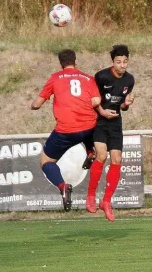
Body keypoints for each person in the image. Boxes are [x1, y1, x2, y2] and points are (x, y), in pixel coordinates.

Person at [28, 49, 101, 211]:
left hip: (66, 130)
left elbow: (37, 104)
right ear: (76, 61)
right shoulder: (88, 78)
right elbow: (96, 101)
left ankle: (62, 186)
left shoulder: (55, 78)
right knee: (87, 126)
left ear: (60, 63)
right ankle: (90, 150)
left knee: (45, 161)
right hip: (89, 127)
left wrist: (32, 105)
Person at [85, 45, 135, 221]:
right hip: (99, 120)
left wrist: (127, 103)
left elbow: (122, 106)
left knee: (117, 159)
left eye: (125, 61)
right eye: (118, 62)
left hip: (115, 123)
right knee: (101, 155)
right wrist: (102, 112)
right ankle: (91, 196)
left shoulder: (129, 80)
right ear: (112, 62)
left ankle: (106, 201)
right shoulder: (101, 76)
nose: (122, 65)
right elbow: (92, 100)